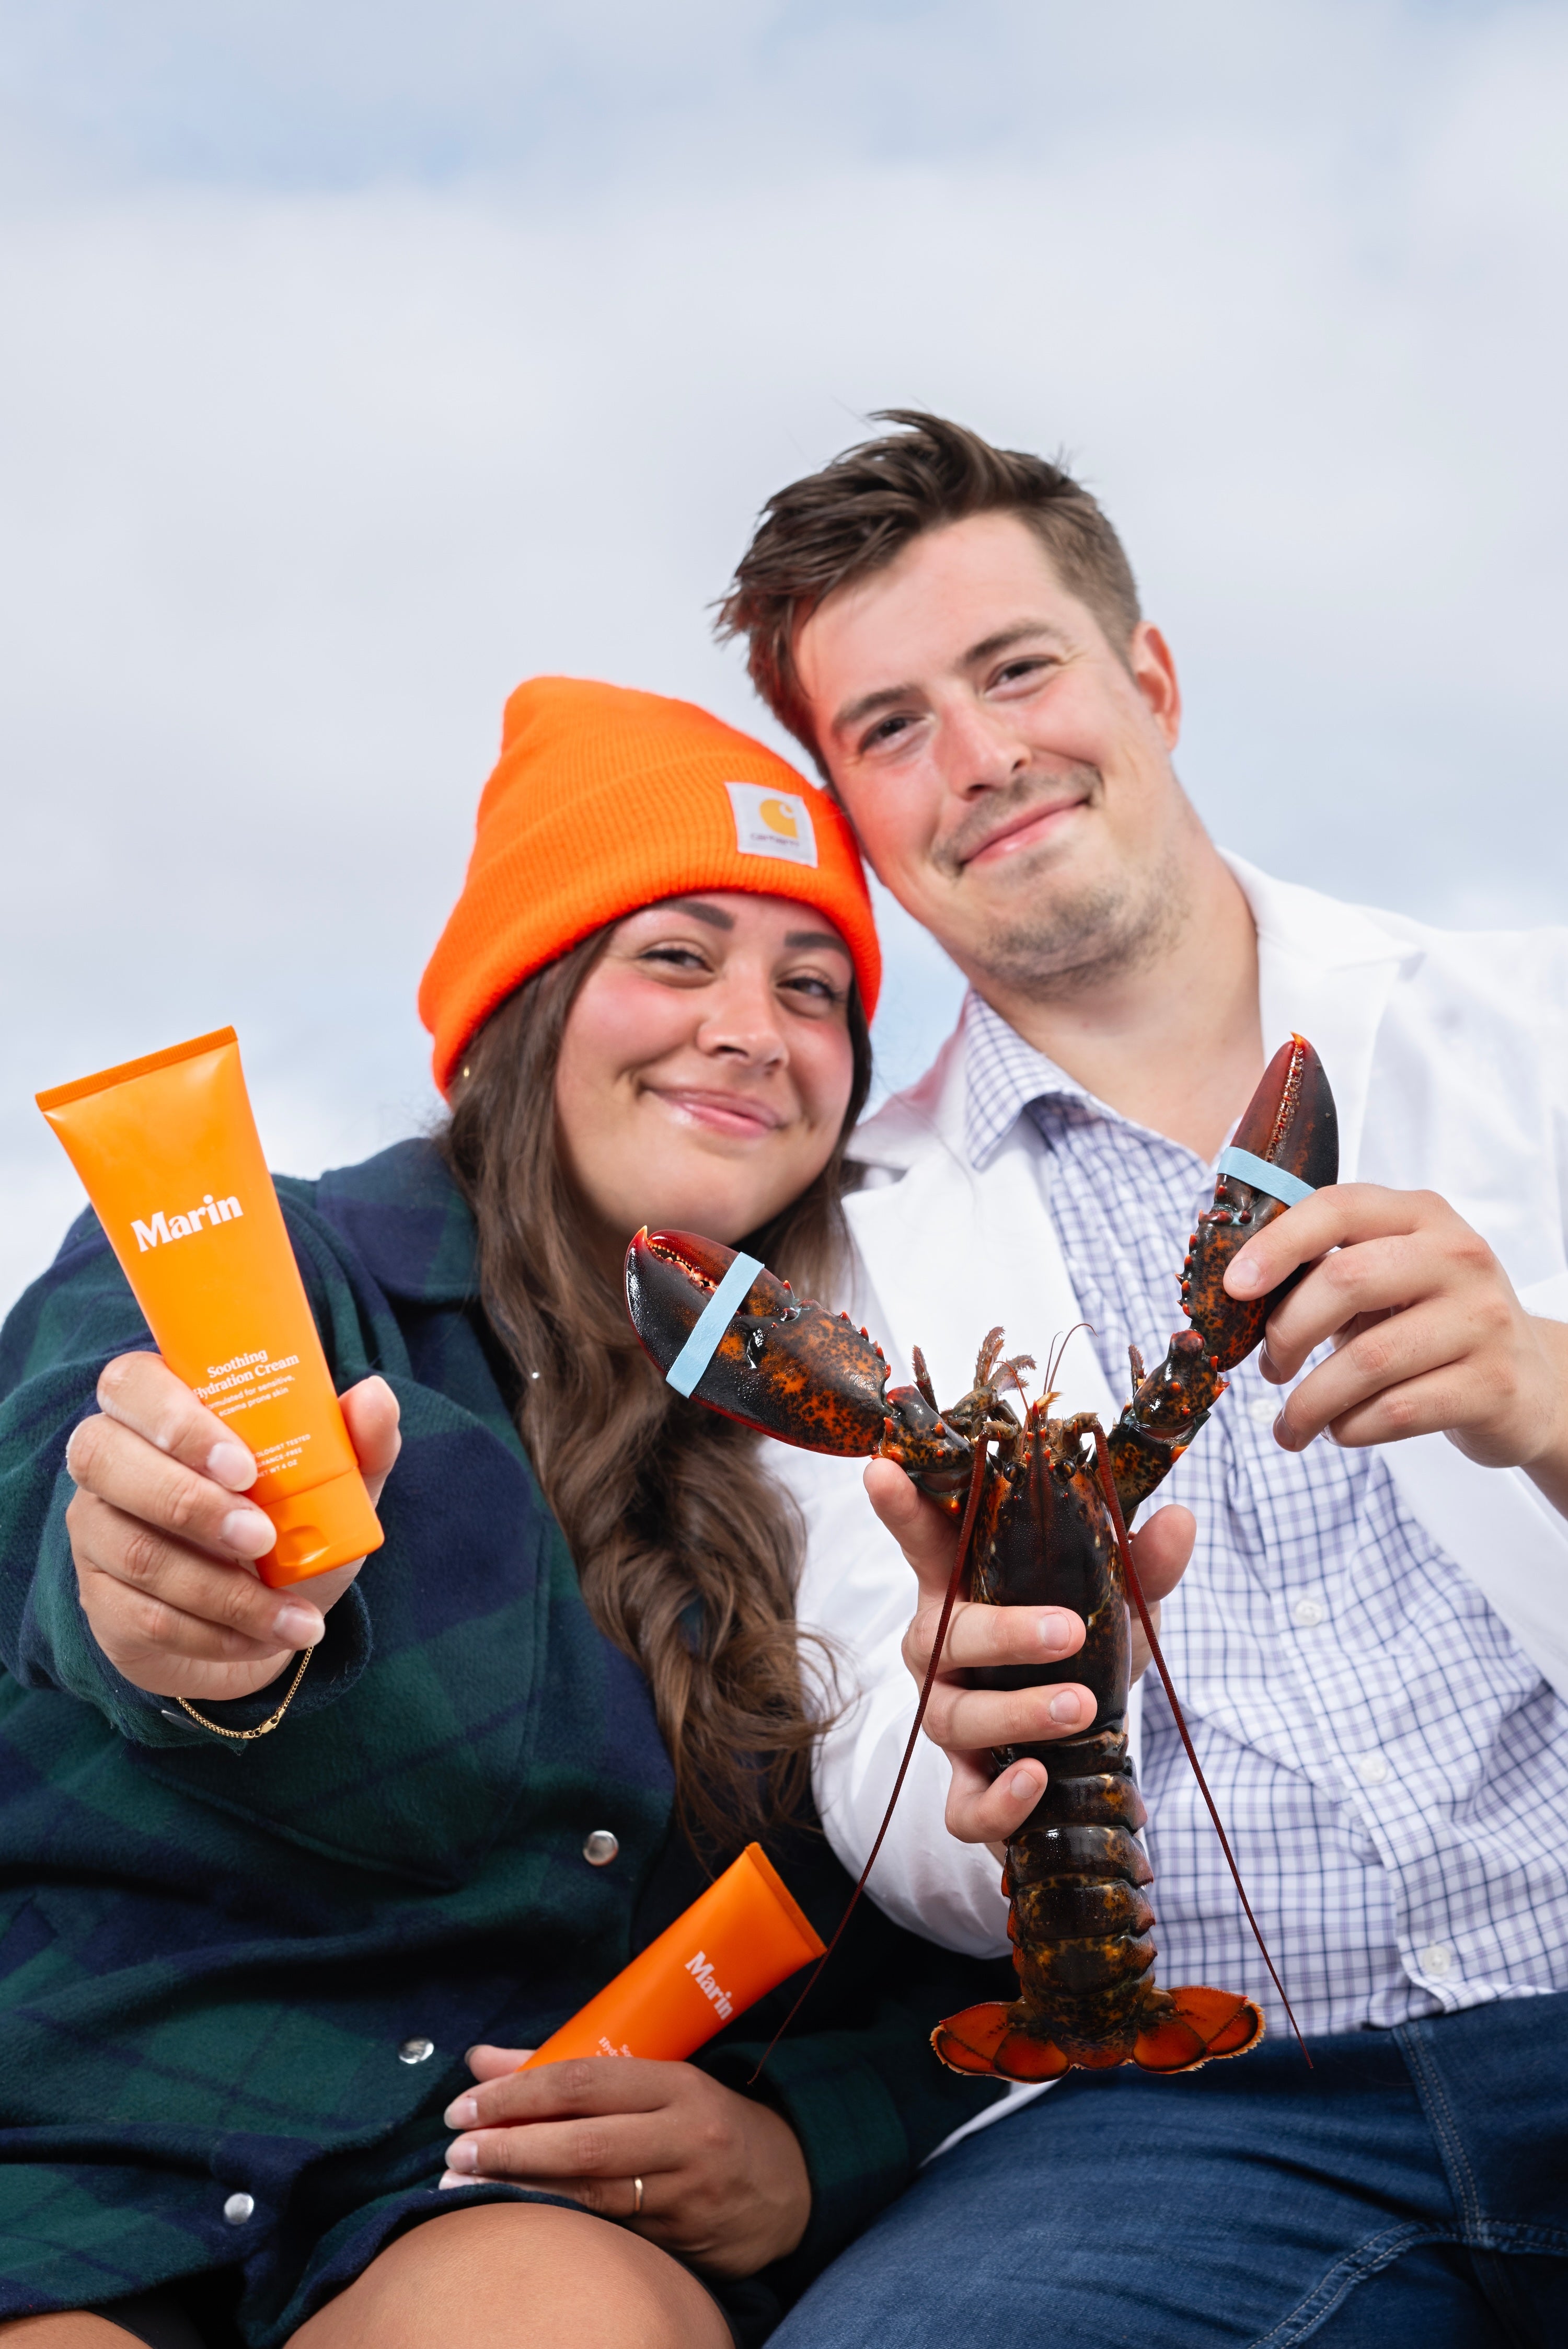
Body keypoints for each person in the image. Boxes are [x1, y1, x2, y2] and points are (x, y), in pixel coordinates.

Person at [0, 678, 1050, 2349]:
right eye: (677, 956)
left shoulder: (845, 1436)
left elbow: (945, 1909)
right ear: (523, 1003)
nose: (752, 1029)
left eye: (816, 990)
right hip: (91, 2140)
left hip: (492, 2201)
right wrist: (141, 1594)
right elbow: (60, 1513)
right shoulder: (268, 1264)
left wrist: (802, 2149)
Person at [713, 414, 1568, 2345]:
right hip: (1179, 2121)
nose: (982, 755)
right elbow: (892, 1809)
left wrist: (1545, 1387)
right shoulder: (827, 1264)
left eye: (1015, 669)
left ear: (1150, 681)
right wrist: (960, 1733)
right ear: (850, 809)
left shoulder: (1537, 1025)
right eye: (890, 726)